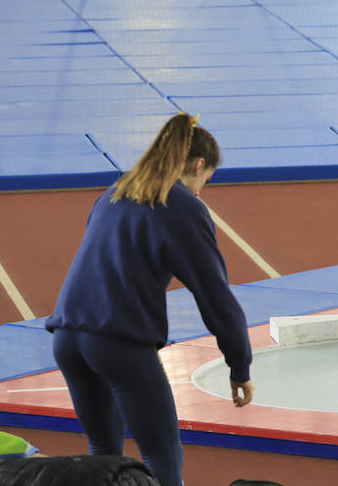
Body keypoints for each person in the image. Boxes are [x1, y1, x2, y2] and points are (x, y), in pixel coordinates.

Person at [44, 113, 255, 486]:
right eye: (207, 179)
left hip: (67, 336)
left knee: (103, 456)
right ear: (199, 165)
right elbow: (214, 295)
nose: (203, 190)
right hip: (116, 342)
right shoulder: (182, 206)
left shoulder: (115, 192)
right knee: (162, 454)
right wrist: (240, 365)